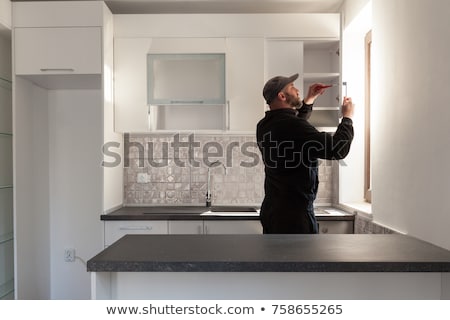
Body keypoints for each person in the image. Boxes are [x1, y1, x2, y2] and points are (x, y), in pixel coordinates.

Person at [256, 73, 354, 234]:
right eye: (292, 88)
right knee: (300, 259)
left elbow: (295, 125)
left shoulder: (264, 125)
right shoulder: (293, 126)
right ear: (282, 95)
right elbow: (338, 149)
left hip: (273, 211)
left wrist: (309, 100)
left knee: (275, 258)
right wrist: (347, 118)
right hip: (295, 217)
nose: (297, 91)